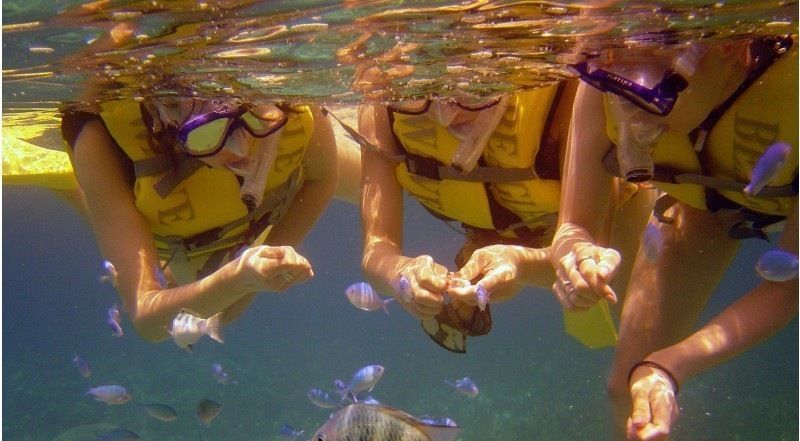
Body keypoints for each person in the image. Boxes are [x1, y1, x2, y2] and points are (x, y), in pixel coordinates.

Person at [551, 37, 797, 441]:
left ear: (730, 52)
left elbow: (786, 291)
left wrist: (672, 365)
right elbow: (574, 225)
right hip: (703, 199)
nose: (629, 115)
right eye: (615, 86)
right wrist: (575, 257)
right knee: (625, 389)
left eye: (653, 95)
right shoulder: (602, 71)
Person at [354, 80, 651, 352]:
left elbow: (582, 250)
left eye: (473, 91)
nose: (446, 116)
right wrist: (400, 273)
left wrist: (520, 263)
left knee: (637, 361)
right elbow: (377, 249)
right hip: (487, 208)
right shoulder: (384, 96)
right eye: (416, 95)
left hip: (605, 214)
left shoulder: (570, 94)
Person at [62, 90, 338, 341]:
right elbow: (147, 318)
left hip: (266, 199)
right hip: (172, 234)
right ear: (164, 120)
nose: (241, 150)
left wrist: (262, 267)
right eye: (210, 133)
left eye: (257, 119)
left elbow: (322, 177)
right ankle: (67, 186)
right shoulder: (95, 138)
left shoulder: (290, 97)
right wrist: (237, 282)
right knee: (168, 276)